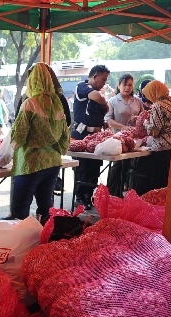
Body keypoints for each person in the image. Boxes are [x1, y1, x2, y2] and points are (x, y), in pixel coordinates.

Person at [8, 63, 69, 221]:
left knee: (20, 208)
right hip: (53, 162)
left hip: (31, 163)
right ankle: (43, 240)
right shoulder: (58, 104)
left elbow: (18, 137)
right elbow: (65, 137)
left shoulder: (30, 103)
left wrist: (8, 152)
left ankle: (22, 243)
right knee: (45, 207)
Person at [71, 64, 110, 209]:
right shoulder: (82, 86)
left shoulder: (98, 93)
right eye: (103, 79)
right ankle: (80, 197)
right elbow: (97, 97)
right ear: (94, 76)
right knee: (83, 168)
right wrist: (105, 102)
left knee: (95, 168)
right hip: (82, 135)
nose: (104, 83)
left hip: (96, 136)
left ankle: (89, 195)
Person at [134, 80, 171, 195]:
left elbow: (154, 131)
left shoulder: (158, 106)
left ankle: (156, 207)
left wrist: (146, 123)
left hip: (161, 147)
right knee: (166, 179)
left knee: (158, 181)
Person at [105, 73, 142, 196]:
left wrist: (139, 120)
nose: (127, 88)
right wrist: (123, 127)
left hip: (134, 140)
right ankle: (111, 192)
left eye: (130, 85)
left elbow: (144, 117)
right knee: (117, 166)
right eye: (124, 85)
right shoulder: (112, 101)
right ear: (119, 85)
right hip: (118, 139)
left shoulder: (137, 101)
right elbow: (108, 119)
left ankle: (123, 192)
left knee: (129, 167)